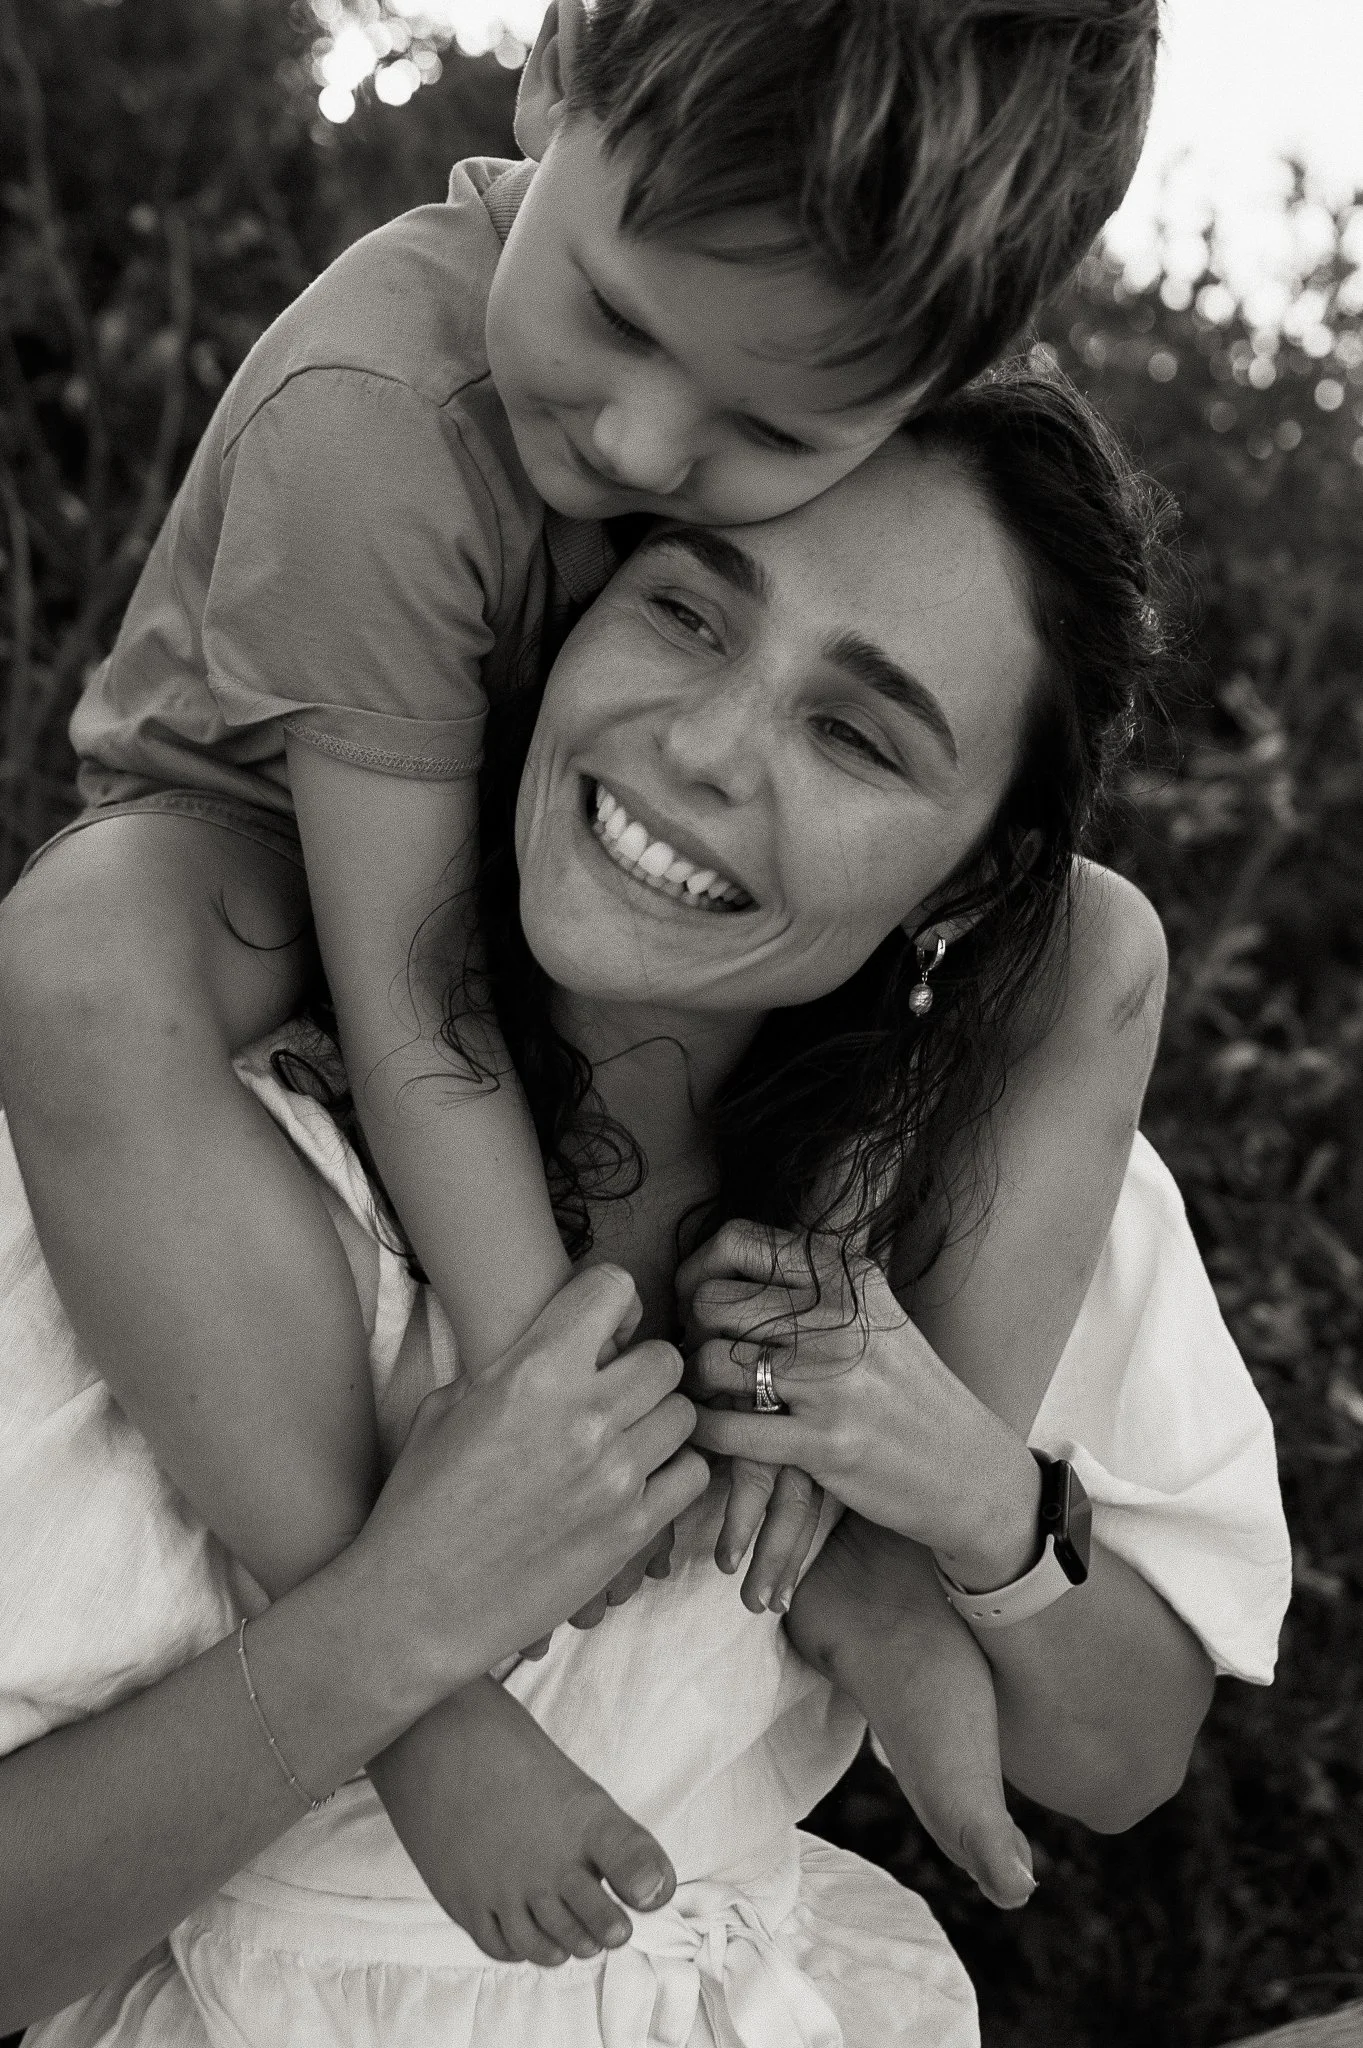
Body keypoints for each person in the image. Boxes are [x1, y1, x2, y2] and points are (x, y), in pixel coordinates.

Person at [0, 0, 1166, 1947]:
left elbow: (1128, 1754)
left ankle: (850, 1523)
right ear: (551, 70)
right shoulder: (376, 416)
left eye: (773, 432)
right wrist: (591, 1435)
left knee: (1107, 934)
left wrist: (888, 1442)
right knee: (85, 964)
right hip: (281, 842)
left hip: (542, 841)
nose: (636, 444)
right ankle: (418, 1677)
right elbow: (421, 1006)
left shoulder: (848, 325)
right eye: (618, 316)